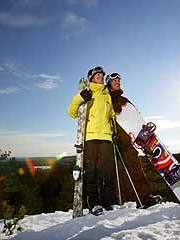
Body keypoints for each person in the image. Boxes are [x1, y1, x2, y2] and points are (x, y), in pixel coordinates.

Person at [106, 72, 162, 208]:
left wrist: (142, 131)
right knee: (118, 174)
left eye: (119, 80)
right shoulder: (106, 100)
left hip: (128, 141)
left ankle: (144, 198)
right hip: (114, 142)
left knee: (136, 168)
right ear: (108, 83)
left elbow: (135, 117)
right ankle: (124, 201)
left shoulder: (124, 100)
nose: (118, 82)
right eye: (114, 80)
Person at [67, 66, 117, 216]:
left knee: (107, 172)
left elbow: (111, 115)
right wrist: (81, 97)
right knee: (92, 172)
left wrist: (113, 130)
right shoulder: (86, 92)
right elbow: (71, 112)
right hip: (90, 138)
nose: (101, 77)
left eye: (102, 75)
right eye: (97, 75)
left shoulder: (107, 94)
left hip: (106, 138)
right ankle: (94, 204)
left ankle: (108, 203)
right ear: (91, 78)